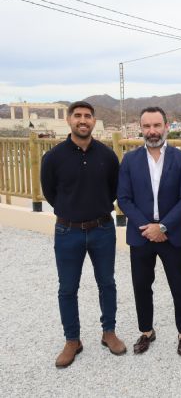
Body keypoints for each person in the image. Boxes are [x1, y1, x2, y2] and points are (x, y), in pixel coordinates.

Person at [40, 101, 126, 368]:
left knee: (107, 283)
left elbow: (114, 189)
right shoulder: (53, 157)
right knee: (67, 288)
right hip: (68, 231)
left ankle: (108, 332)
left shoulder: (107, 156)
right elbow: (50, 192)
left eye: (87, 116)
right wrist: (71, 210)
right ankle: (72, 340)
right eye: (77, 115)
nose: (83, 120)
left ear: (93, 121)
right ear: (69, 120)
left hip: (102, 229)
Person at [117, 107, 181, 356]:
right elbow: (124, 198)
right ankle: (146, 331)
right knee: (141, 286)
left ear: (166, 127)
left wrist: (162, 227)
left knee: (179, 286)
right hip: (141, 235)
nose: (152, 131)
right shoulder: (130, 160)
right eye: (147, 126)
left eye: (157, 125)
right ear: (141, 129)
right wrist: (148, 228)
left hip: (173, 233)